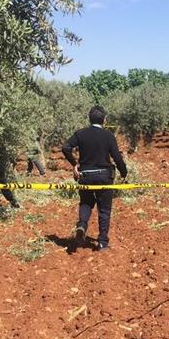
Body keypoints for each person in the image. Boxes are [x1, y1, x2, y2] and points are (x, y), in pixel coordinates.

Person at [62, 106, 127, 251]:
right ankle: (102, 242)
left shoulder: (80, 133)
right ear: (104, 120)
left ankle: (82, 225)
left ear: (89, 119)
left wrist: (74, 164)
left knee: (86, 203)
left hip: (85, 176)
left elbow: (66, 147)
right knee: (104, 209)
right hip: (104, 176)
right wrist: (124, 172)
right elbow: (117, 158)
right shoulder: (108, 136)